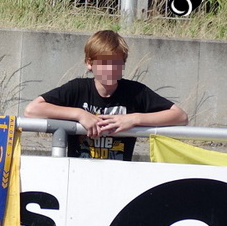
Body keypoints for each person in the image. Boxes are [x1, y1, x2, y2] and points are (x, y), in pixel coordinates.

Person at [23, 30, 188, 160]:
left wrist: (134, 119)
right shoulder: (78, 88)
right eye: (104, 63)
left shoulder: (136, 92)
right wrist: (79, 114)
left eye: (117, 63)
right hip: (78, 173)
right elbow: (32, 110)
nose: (110, 69)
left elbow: (180, 116)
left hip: (118, 176)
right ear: (89, 63)